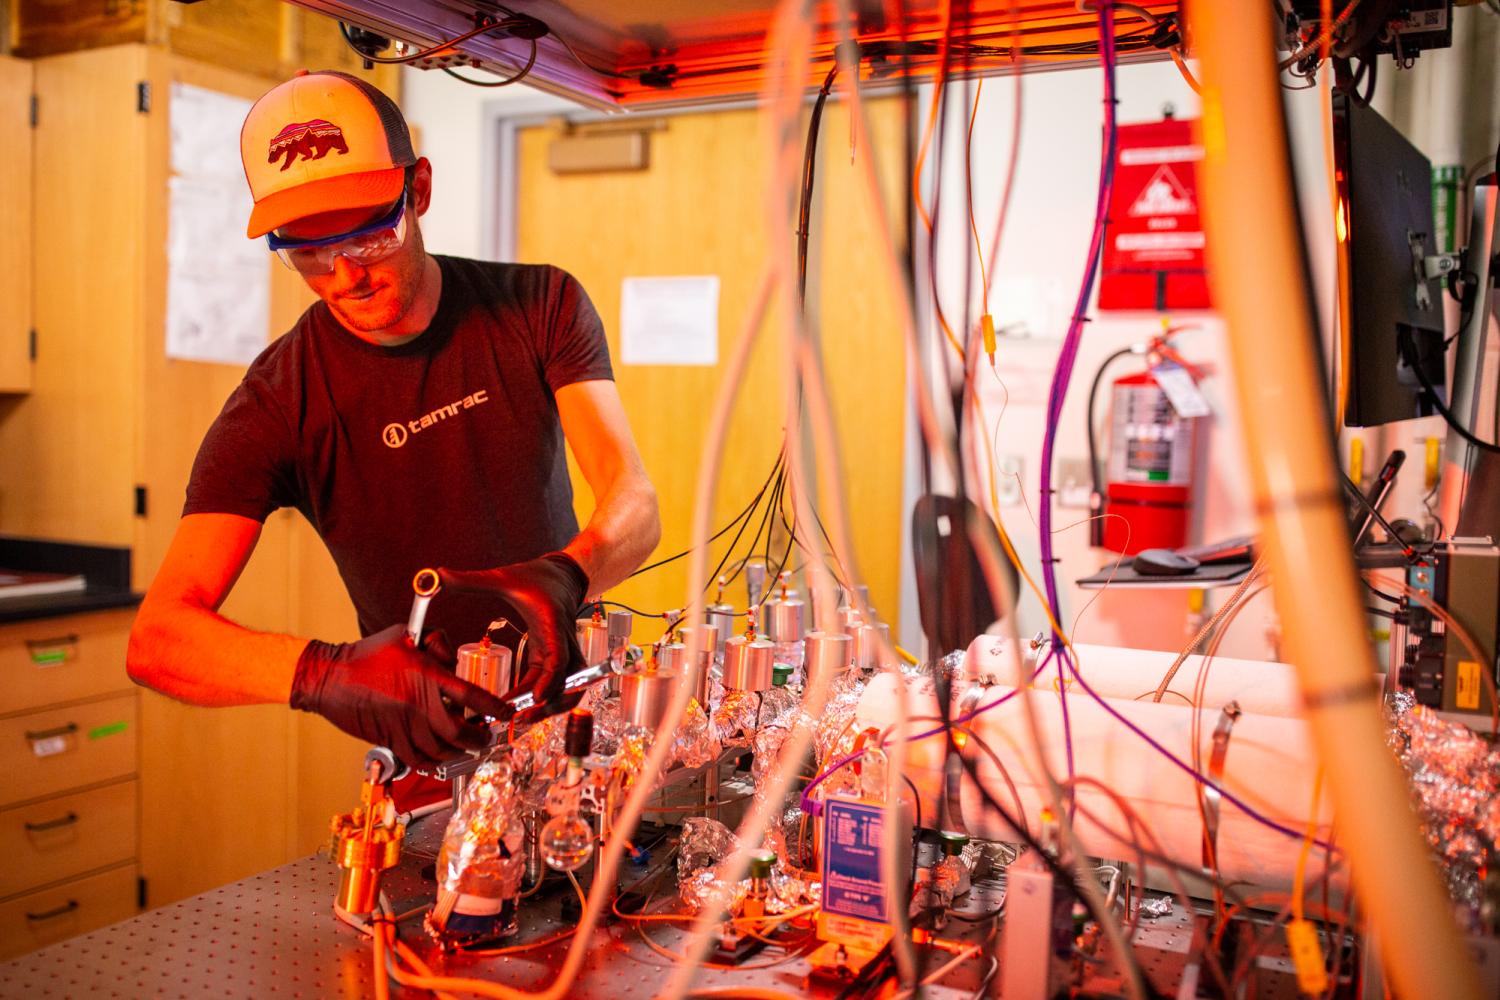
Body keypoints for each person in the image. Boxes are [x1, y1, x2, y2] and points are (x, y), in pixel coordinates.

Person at [126, 70, 660, 799]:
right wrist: (325, 674)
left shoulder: (539, 306)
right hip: (431, 752)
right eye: (307, 250)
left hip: (574, 728)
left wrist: (568, 575)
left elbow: (635, 504)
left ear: (419, 190)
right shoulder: (280, 399)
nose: (344, 275)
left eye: (369, 234)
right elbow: (159, 641)